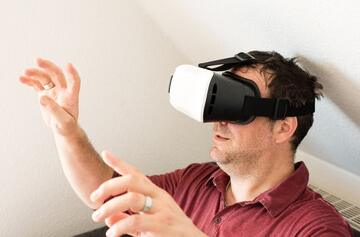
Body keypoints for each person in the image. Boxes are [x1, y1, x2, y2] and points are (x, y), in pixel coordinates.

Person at [19, 51, 354, 237]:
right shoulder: (196, 181)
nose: (217, 121)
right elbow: (105, 192)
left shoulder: (316, 228)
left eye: (235, 107)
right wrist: (67, 132)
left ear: (283, 128)